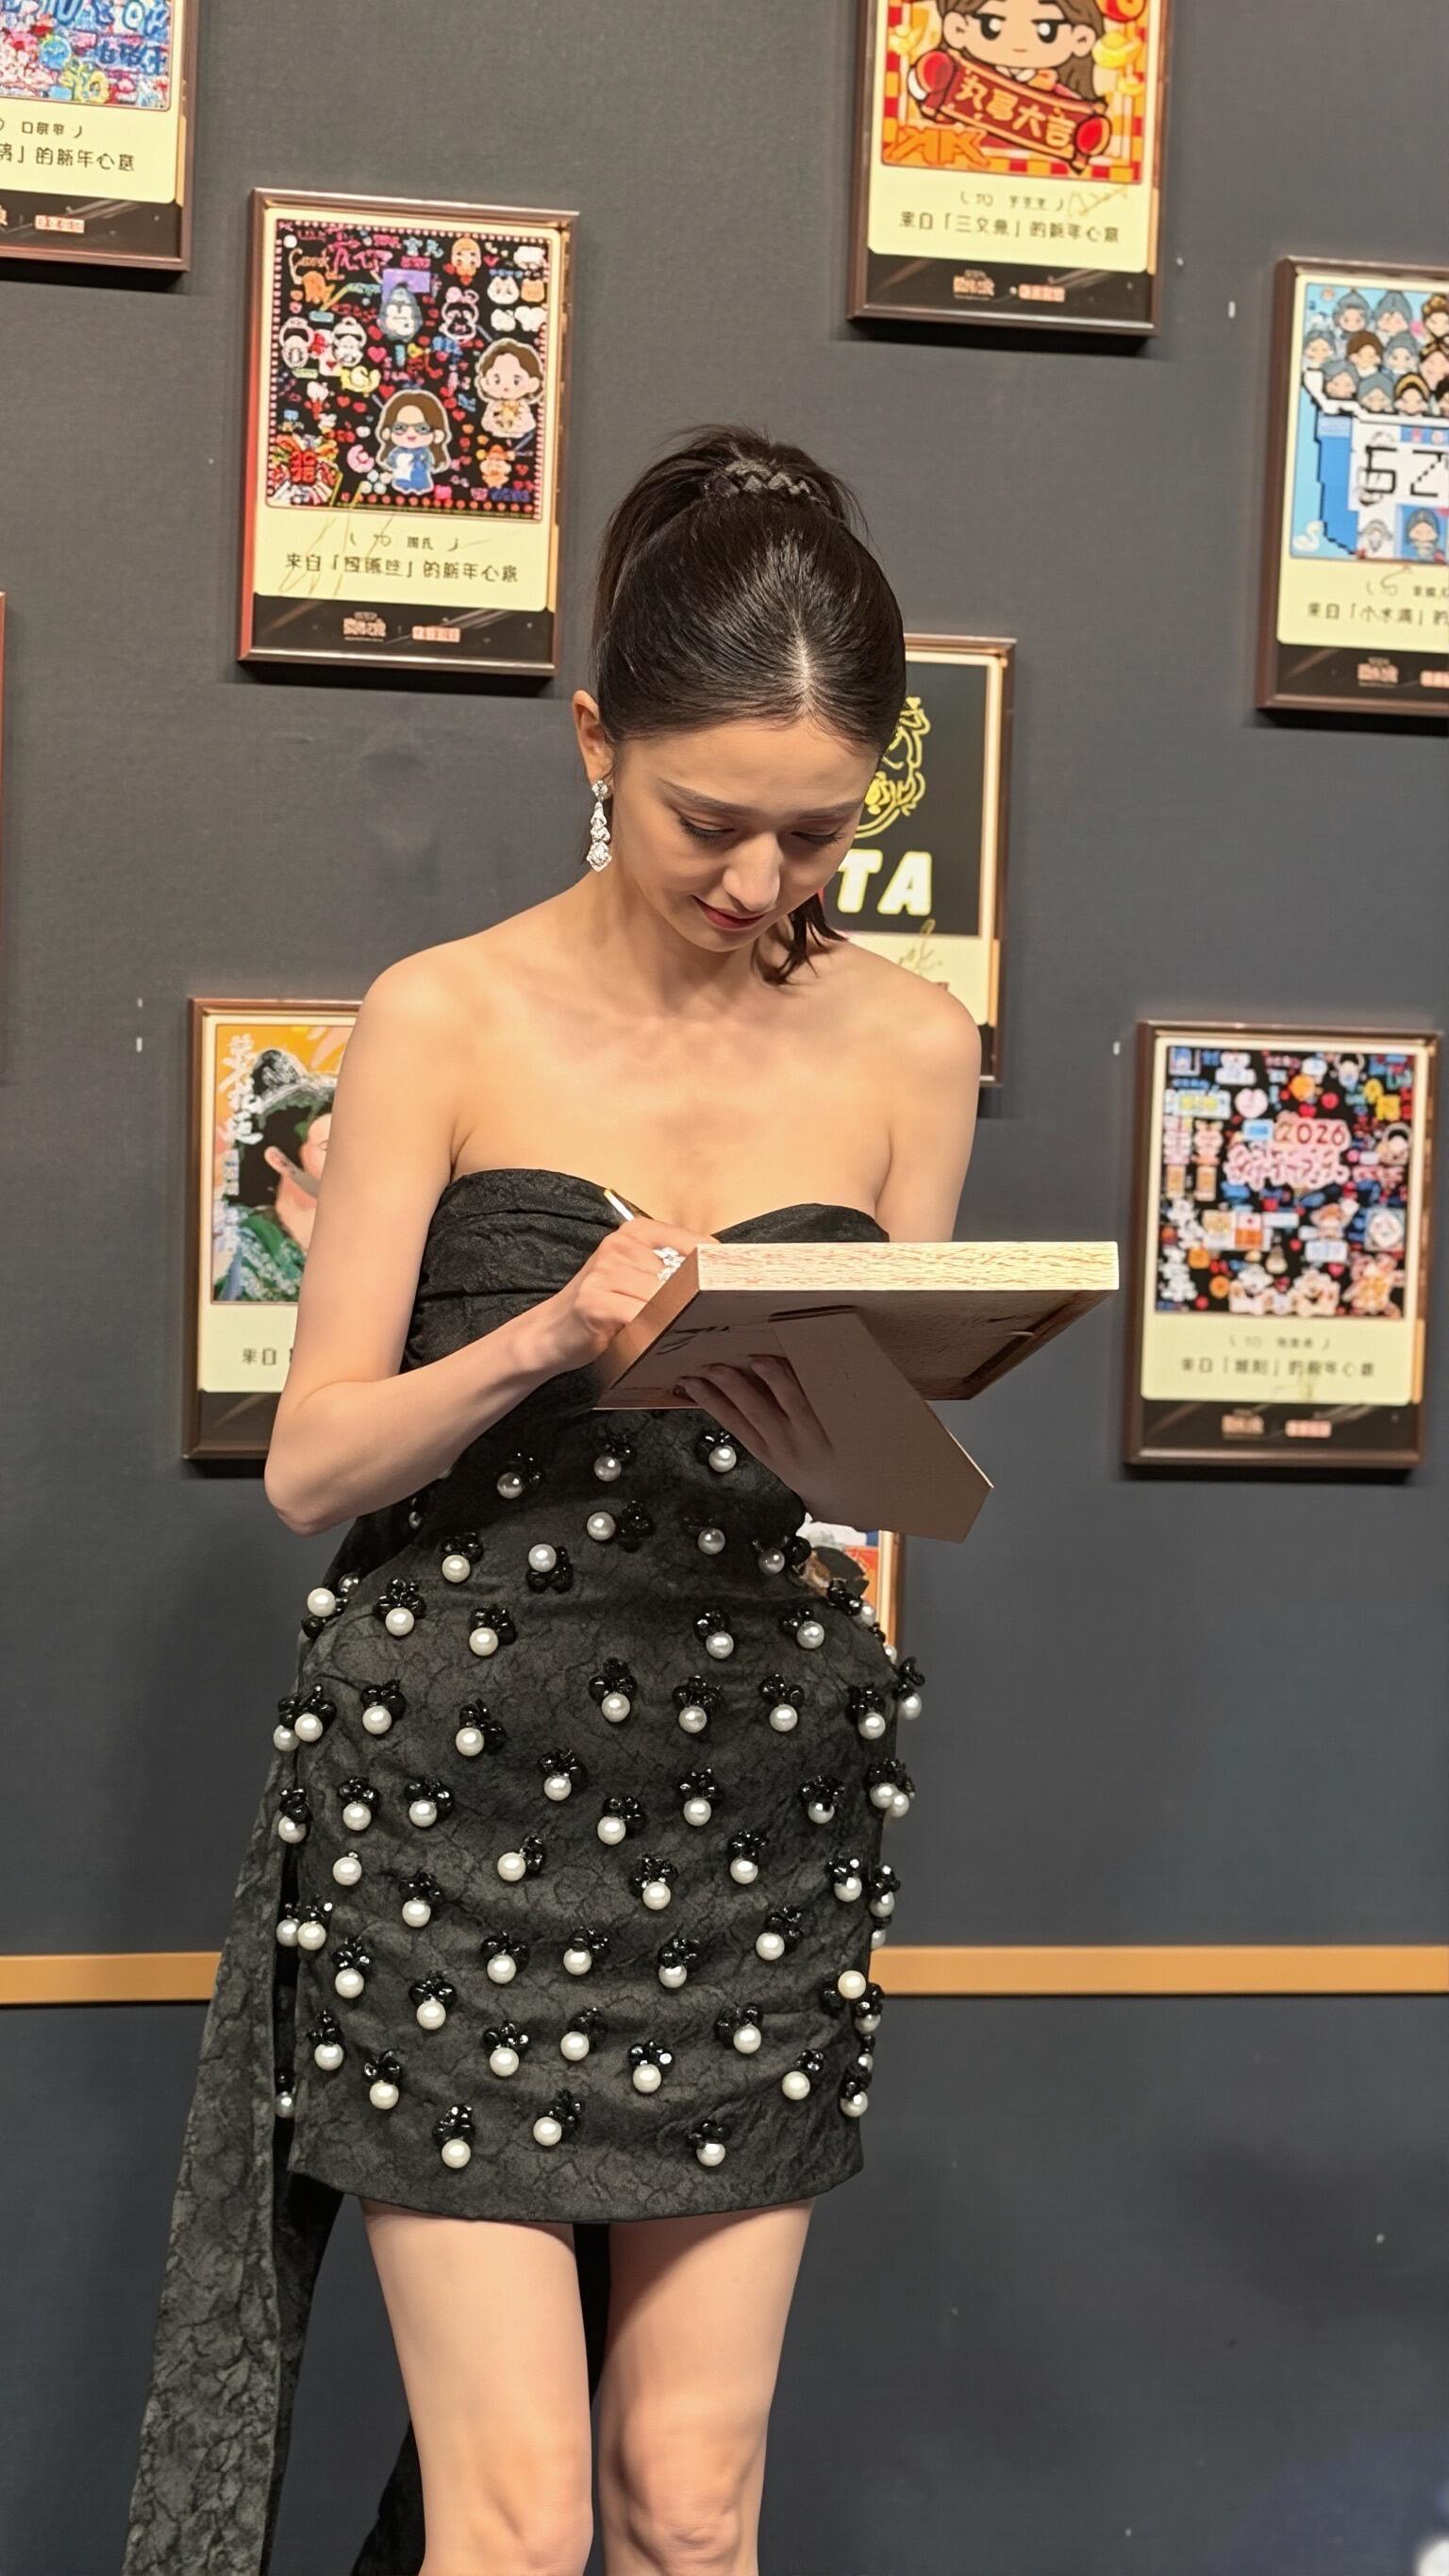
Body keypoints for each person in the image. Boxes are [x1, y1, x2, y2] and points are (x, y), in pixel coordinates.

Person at [121, 422, 980, 2576]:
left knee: (690, 2504)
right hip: (454, 1790)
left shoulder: (911, 1045)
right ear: (598, 740)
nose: (762, 884)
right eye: (712, 822)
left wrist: (862, 1446)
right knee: (509, 2525)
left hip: (756, 1793)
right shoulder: (445, 1014)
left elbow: (878, 1482)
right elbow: (312, 1463)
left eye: (818, 834)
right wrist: (538, 1342)